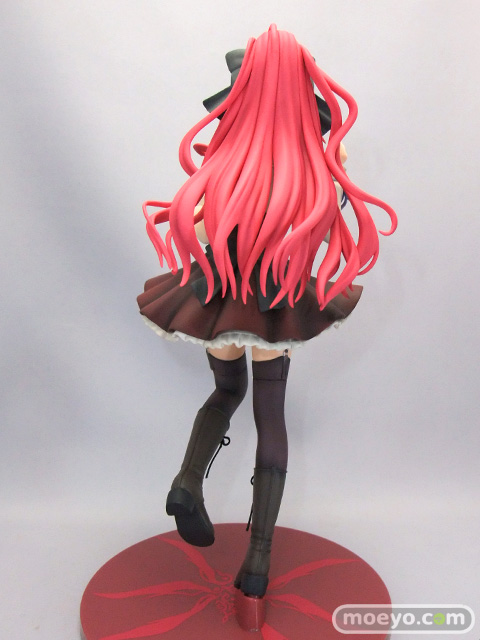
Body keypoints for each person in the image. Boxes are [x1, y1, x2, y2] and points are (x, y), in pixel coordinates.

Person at [137, 24, 397, 599]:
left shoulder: (226, 156)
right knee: (270, 415)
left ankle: (186, 481)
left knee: (225, 390)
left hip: (216, 292)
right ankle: (257, 560)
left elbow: (201, 226)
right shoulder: (313, 159)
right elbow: (321, 222)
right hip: (274, 299)